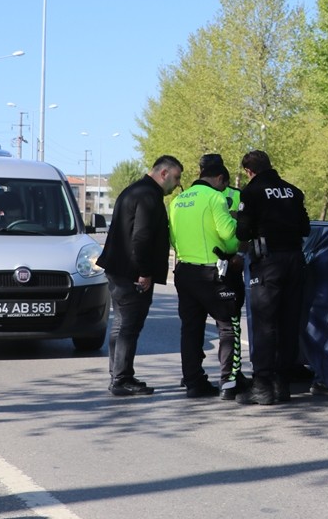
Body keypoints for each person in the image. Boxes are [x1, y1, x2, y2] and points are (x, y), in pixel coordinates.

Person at [97, 155, 183, 396]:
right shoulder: (149, 195)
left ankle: (119, 375)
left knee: (120, 325)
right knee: (128, 327)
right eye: (176, 178)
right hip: (132, 273)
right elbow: (141, 237)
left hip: (118, 269)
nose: (177, 184)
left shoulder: (132, 190)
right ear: (163, 173)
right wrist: (144, 272)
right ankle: (121, 379)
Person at [235, 150, 310, 405]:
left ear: (249, 171)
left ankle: (262, 385)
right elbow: (305, 228)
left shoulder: (252, 191)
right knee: (289, 322)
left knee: (265, 324)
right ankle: (281, 383)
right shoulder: (293, 191)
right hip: (295, 261)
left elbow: (243, 232)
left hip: (268, 264)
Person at [169, 160, 243, 399]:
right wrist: (236, 243)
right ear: (220, 179)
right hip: (213, 273)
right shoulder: (215, 198)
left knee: (190, 329)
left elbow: (173, 238)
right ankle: (228, 384)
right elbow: (228, 234)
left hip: (185, 272)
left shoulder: (177, 201)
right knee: (227, 326)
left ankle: (193, 382)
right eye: (224, 185)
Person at [199, 152, 247, 396]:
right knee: (229, 326)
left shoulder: (235, 194)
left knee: (198, 325)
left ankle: (196, 376)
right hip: (225, 264)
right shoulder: (228, 193)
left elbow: (242, 225)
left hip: (215, 264)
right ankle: (230, 377)